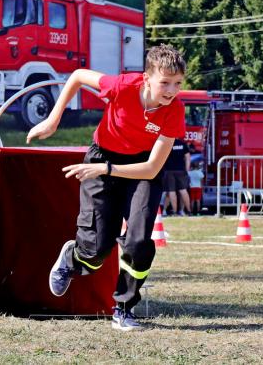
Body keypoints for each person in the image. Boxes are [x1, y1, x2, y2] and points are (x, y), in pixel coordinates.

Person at [27, 44, 186, 332]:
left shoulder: (174, 110)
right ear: (146, 78)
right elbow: (77, 76)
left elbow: (152, 168)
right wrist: (53, 118)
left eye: (177, 83)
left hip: (140, 169)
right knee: (96, 251)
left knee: (139, 242)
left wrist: (107, 169)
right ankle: (73, 257)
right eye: (165, 82)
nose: (171, 90)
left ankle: (124, 309)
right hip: (103, 156)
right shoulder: (121, 86)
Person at [161, 138, 191, 216]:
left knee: (171, 191)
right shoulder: (182, 143)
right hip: (181, 170)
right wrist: (187, 170)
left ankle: (174, 212)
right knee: (183, 190)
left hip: (169, 170)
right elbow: (188, 158)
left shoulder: (167, 143)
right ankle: (189, 211)